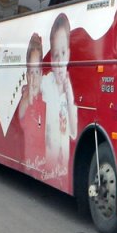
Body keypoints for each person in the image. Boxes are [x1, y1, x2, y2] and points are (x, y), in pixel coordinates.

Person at [41, 13, 77, 184]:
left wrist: (68, 93)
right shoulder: (47, 81)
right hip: (49, 158)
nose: (59, 60)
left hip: (62, 162)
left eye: (63, 53)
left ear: (69, 54)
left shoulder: (69, 89)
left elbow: (74, 130)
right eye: (55, 55)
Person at [18, 33, 46, 167]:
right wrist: (29, 97)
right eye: (31, 72)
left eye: (37, 72)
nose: (34, 78)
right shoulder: (24, 100)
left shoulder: (45, 101)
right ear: (27, 75)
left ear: (41, 74)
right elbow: (22, 120)